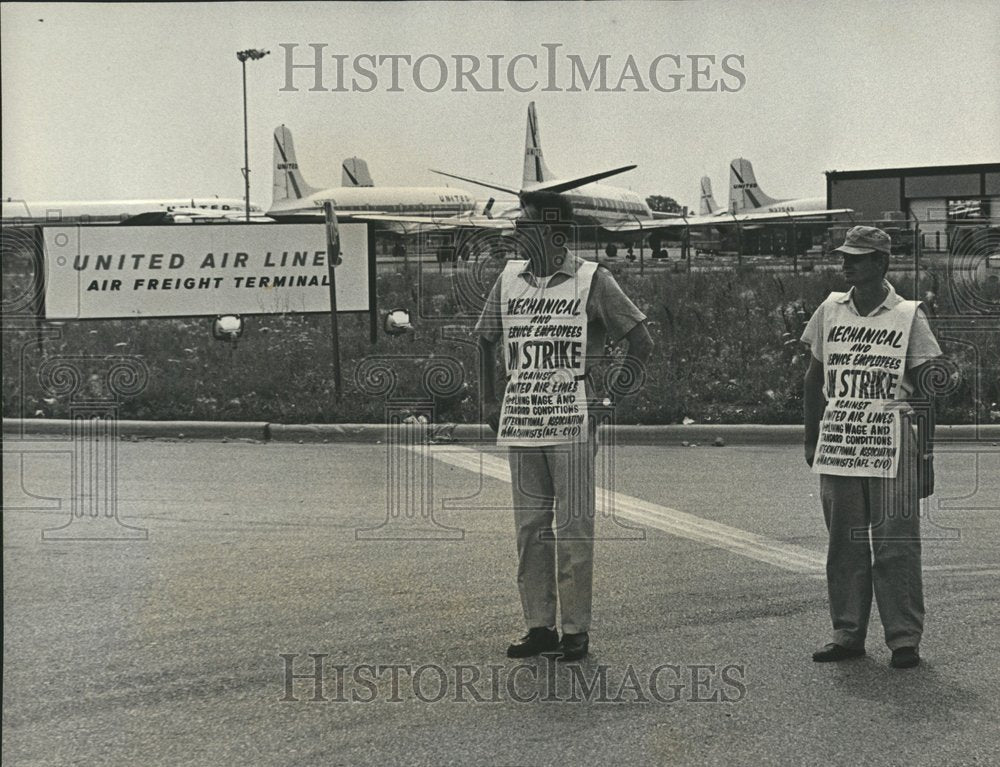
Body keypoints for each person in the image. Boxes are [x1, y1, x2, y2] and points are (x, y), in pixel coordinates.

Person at [476, 195, 652, 661]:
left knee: (573, 525)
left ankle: (575, 629)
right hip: (523, 414)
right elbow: (485, 337)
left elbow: (640, 339)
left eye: (527, 225)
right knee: (530, 526)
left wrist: (610, 398)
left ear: (554, 232)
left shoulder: (593, 280)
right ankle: (539, 626)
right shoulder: (509, 278)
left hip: (573, 413)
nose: (518, 232)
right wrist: (490, 398)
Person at [801, 225, 943, 669]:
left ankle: (903, 638)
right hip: (842, 439)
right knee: (844, 543)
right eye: (845, 256)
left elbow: (926, 389)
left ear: (882, 263)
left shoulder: (908, 314)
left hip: (893, 437)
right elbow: (812, 377)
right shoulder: (830, 309)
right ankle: (847, 633)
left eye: (858, 257)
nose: (848, 264)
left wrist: (926, 454)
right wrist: (811, 437)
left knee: (895, 543)